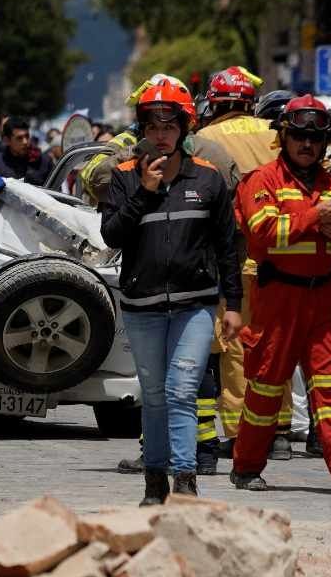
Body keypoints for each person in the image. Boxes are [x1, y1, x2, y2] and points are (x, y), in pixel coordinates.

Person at [230, 95, 331, 495]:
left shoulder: (328, 183)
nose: (307, 145)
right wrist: (315, 218)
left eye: (315, 139)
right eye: (299, 136)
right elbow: (263, 236)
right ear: (284, 137)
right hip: (278, 298)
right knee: (267, 385)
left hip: (323, 299)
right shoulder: (261, 180)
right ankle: (246, 467)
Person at [99, 78, 242, 503]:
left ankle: (186, 480)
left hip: (193, 306)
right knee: (155, 395)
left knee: (182, 390)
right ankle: (154, 481)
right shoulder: (123, 178)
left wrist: (232, 305)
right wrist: (143, 193)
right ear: (142, 129)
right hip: (141, 308)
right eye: (152, 125)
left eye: (169, 125)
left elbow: (227, 246)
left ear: (184, 128)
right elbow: (111, 236)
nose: (161, 134)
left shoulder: (209, 180)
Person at [195, 66, 291, 461]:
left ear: (215, 103)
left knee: (236, 346)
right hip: (281, 251)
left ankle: (239, 430)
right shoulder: (275, 134)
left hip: (231, 255)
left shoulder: (203, 140)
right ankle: (280, 428)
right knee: (276, 341)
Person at [0, 116, 54, 185]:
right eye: (19, 138)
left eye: (27, 136)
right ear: (7, 140)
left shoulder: (44, 161)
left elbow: (56, 193)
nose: (25, 142)